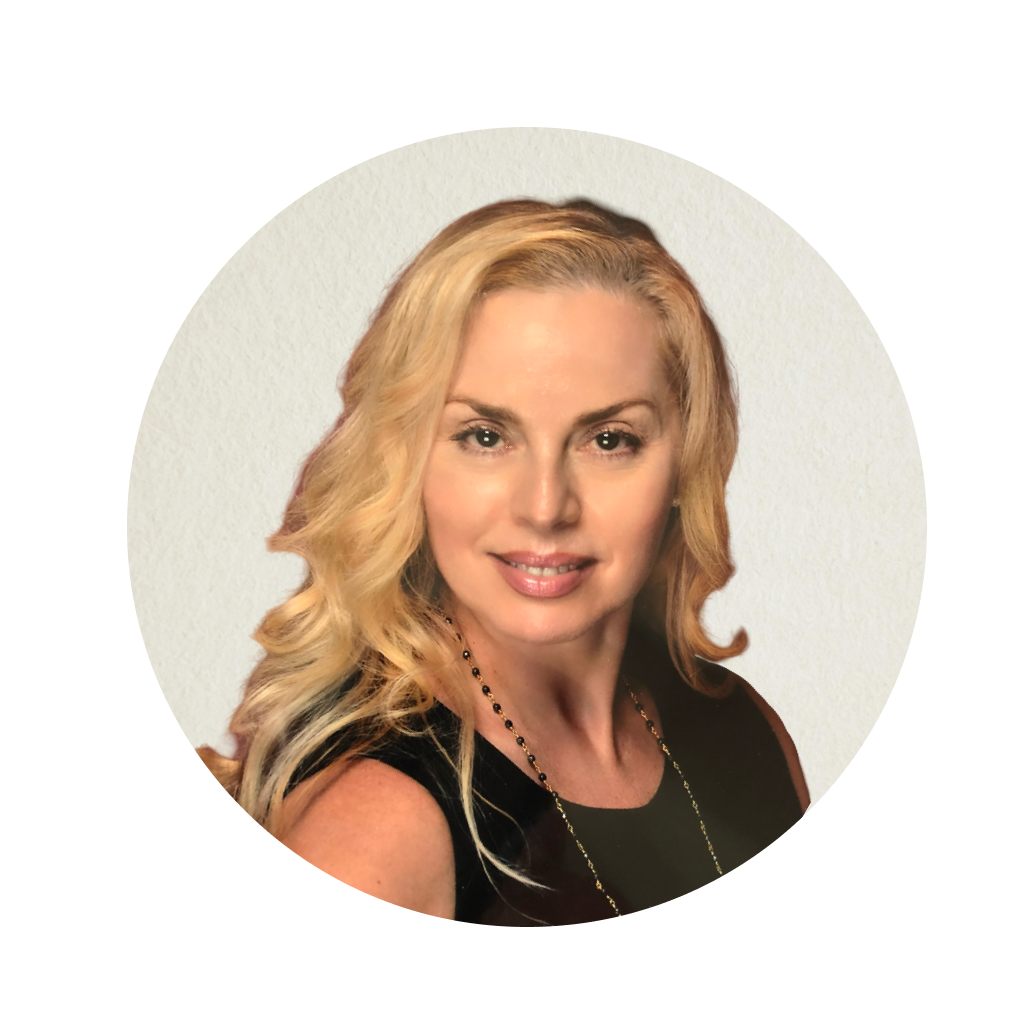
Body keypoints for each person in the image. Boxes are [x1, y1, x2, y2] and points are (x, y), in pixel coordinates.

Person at [198, 198, 810, 925]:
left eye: (609, 439)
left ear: (683, 467)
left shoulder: (746, 732)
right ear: (406, 460)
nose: (546, 507)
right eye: (485, 436)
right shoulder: (378, 830)